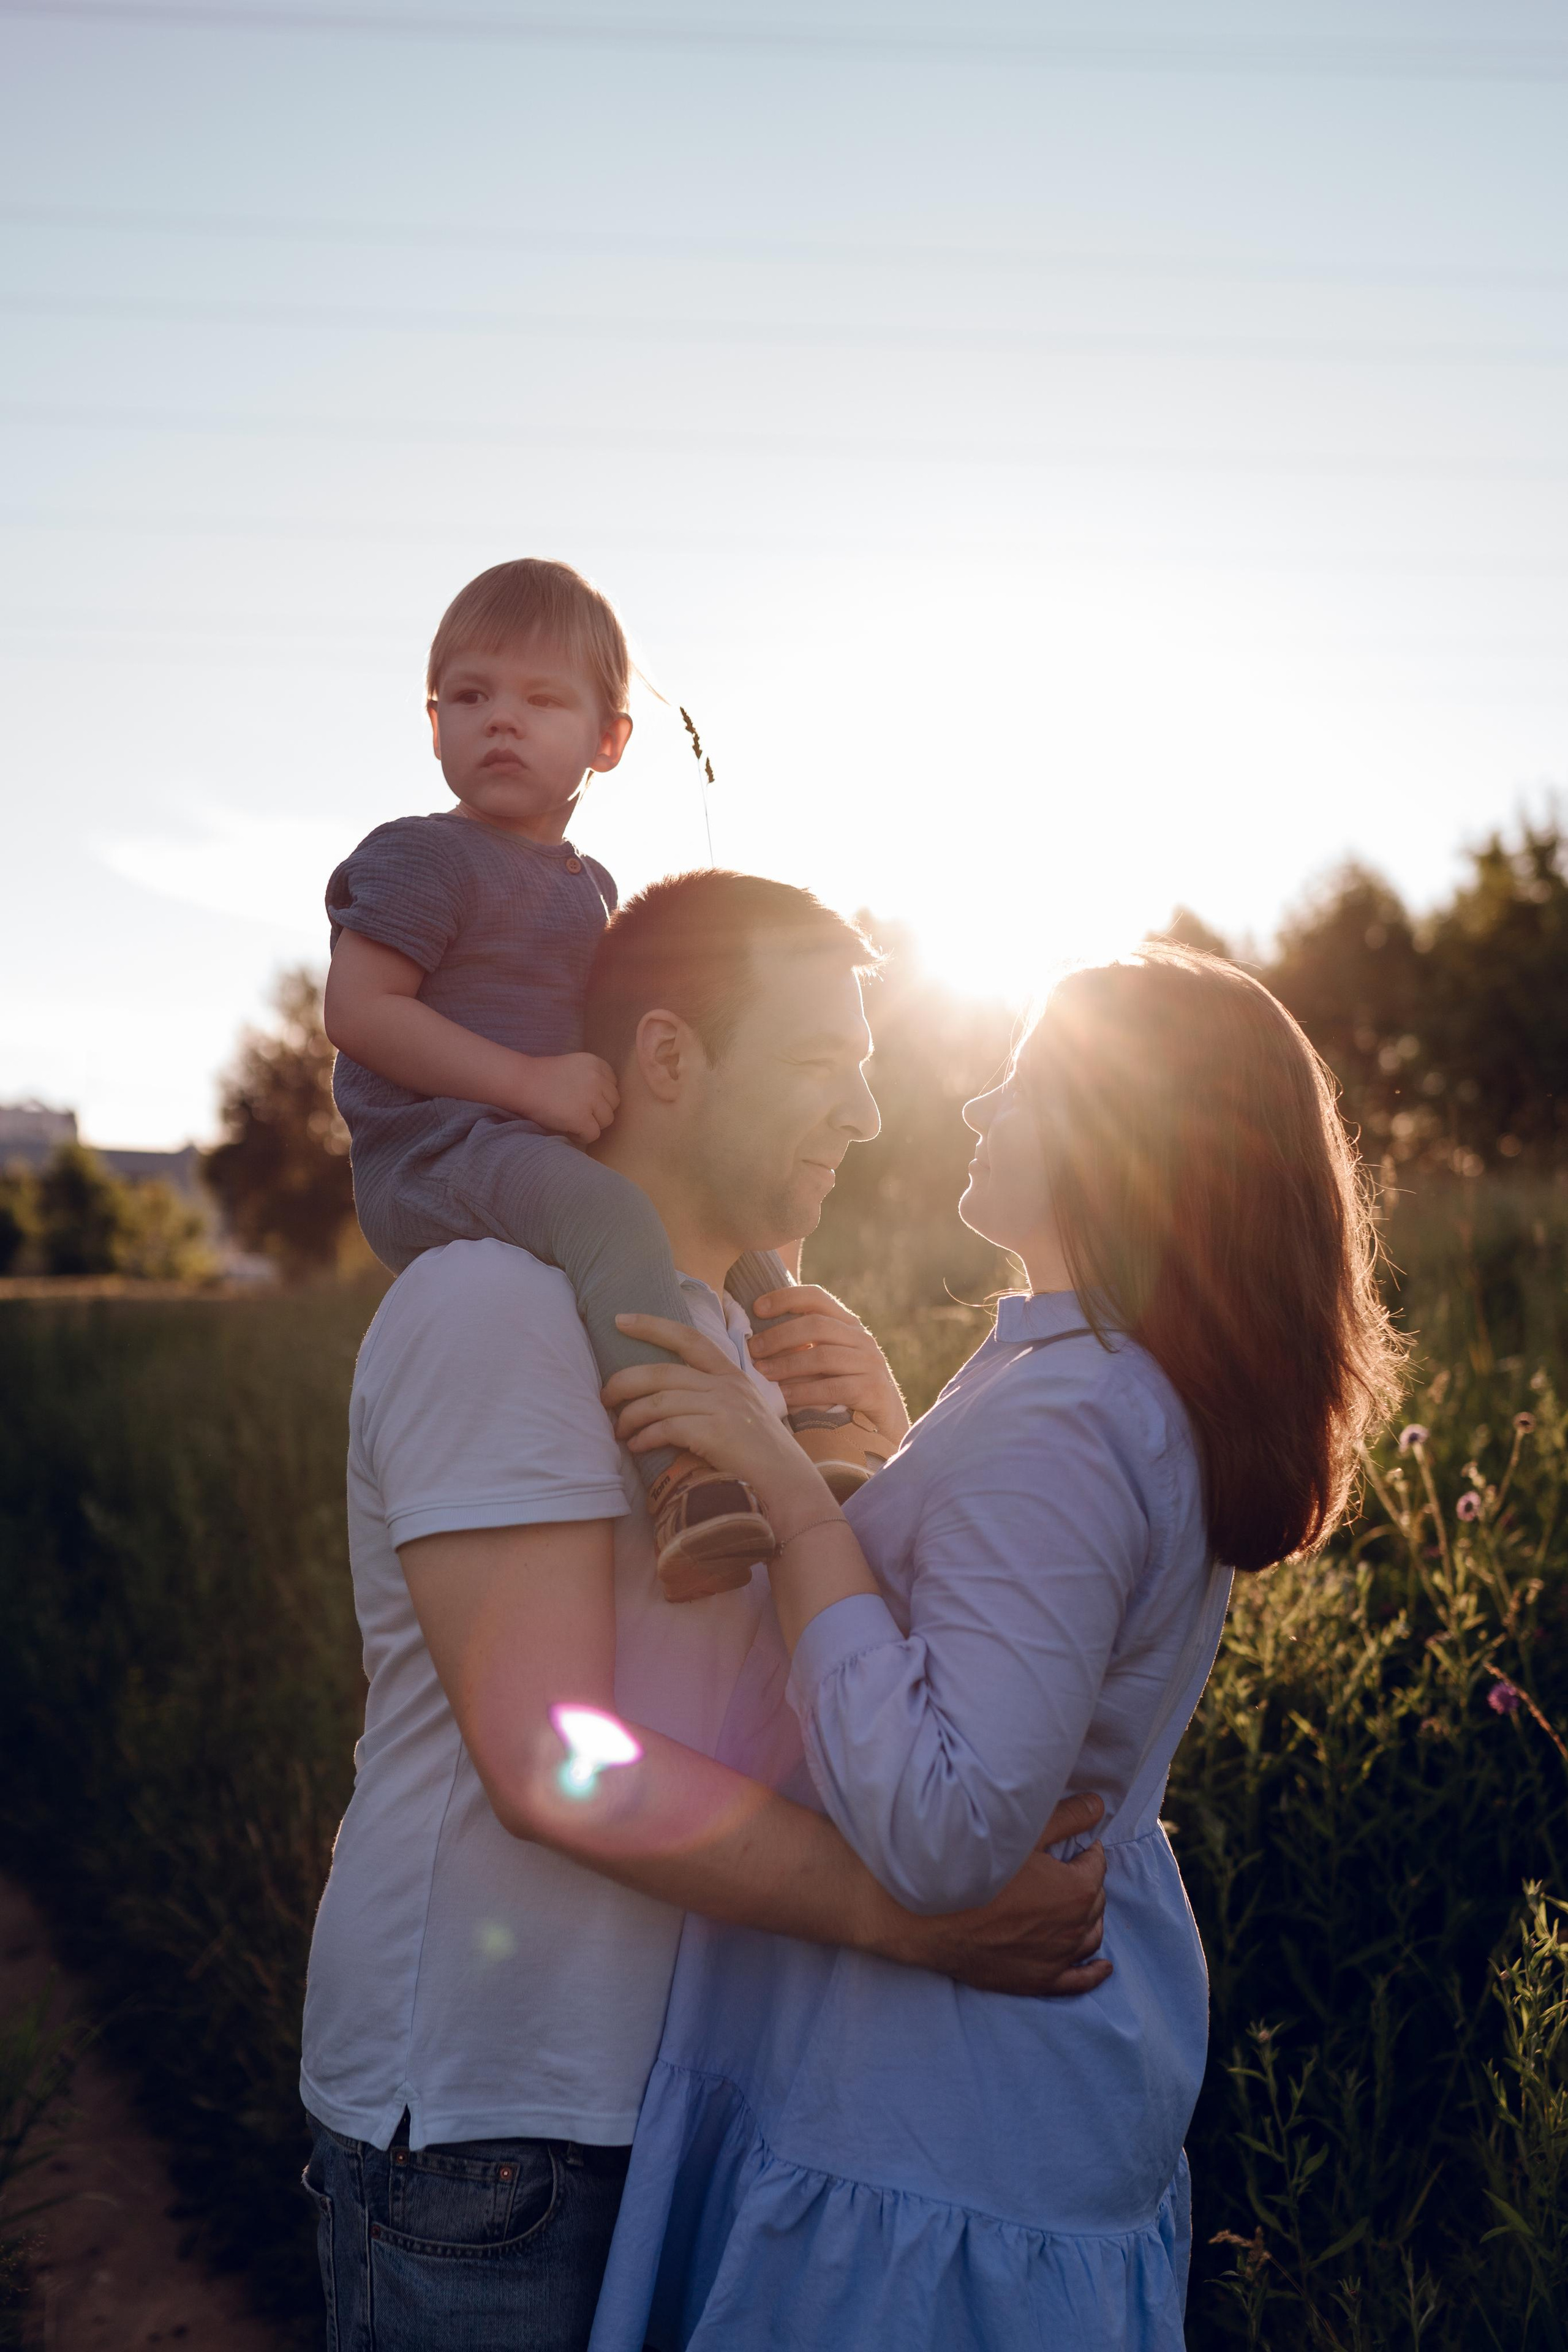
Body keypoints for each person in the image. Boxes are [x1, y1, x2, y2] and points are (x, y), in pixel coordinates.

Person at [298, 869, 1112, 2352]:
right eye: (821, 1066)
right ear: (668, 1058)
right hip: (499, 2137)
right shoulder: (497, 1304)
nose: (865, 1119)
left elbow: (813, 1696)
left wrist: (880, 1454)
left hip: (696, 2106)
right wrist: (916, 1925)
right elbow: (556, 1760)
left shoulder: (736, 1344)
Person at [585, 944, 1406, 2352]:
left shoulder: (1065, 1416)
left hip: (926, 2129)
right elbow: (999, 1644)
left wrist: (791, 1500)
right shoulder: (1077, 1377)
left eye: (1020, 1083)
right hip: (977, 2111)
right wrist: (889, 1463)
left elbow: (948, 1826)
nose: (974, 1110)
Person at [323, 557, 889, 1602]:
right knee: (616, 1224)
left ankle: (817, 1442)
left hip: (533, 1144)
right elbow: (358, 1015)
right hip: (445, 1153)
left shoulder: (590, 887)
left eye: (542, 700)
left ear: (609, 740)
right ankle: (682, 1479)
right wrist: (531, 1085)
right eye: (472, 696)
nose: (502, 722)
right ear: (433, 719)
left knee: (756, 1253)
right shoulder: (420, 858)